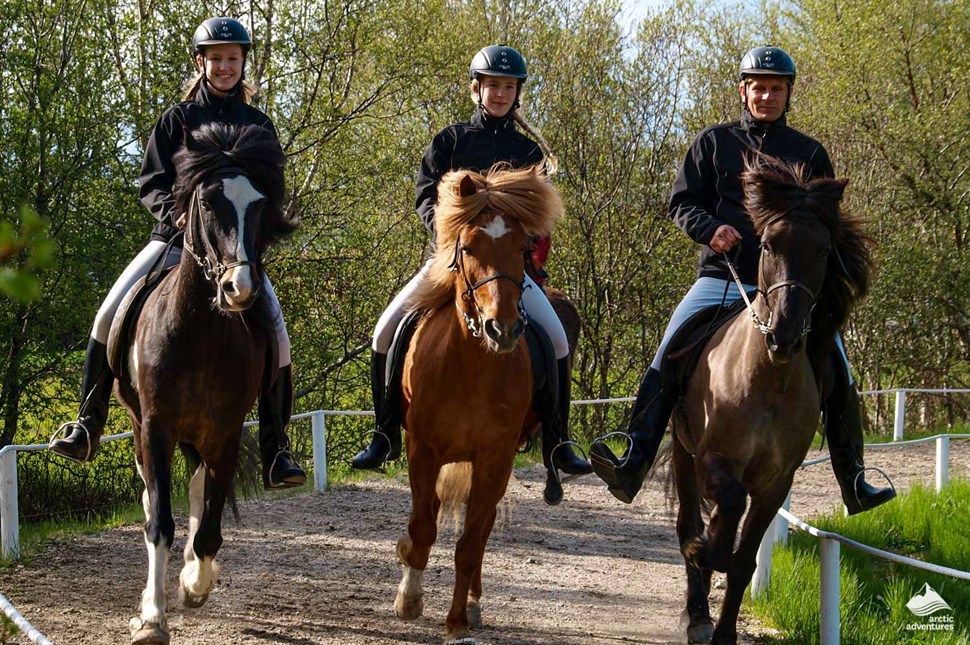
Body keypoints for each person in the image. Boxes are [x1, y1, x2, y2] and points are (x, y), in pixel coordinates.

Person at [589, 46, 896, 515]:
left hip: (790, 288)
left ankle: (853, 476)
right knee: (669, 347)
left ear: (788, 92)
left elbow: (824, 226)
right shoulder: (713, 142)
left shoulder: (810, 153)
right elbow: (681, 202)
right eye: (758, 87)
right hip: (724, 277)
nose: (767, 95)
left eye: (776, 88)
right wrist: (710, 230)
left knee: (840, 367)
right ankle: (635, 455)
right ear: (743, 90)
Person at [49, 17, 306, 491]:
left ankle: (276, 448)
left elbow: (271, 191)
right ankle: (88, 421)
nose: (226, 67)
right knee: (108, 313)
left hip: (235, 251)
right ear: (200, 62)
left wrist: (250, 238)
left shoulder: (259, 125)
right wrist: (180, 216)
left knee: (279, 334)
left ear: (243, 62)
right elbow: (151, 182)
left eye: (233, 58)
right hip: (173, 241)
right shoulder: (177, 119)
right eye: (217, 58)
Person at [351, 45, 591, 499]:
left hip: (508, 269)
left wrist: (527, 253)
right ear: (476, 89)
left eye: (508, 87)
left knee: (556, 339)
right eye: (492, 86)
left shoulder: (527, 151)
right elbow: (426, 198)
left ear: (517, 93)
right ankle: (383, 432)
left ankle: (558, 440)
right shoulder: (450, 142)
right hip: (450, 261)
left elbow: (538, 216)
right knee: (385, 330)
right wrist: (449, 233)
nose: (500, 94)